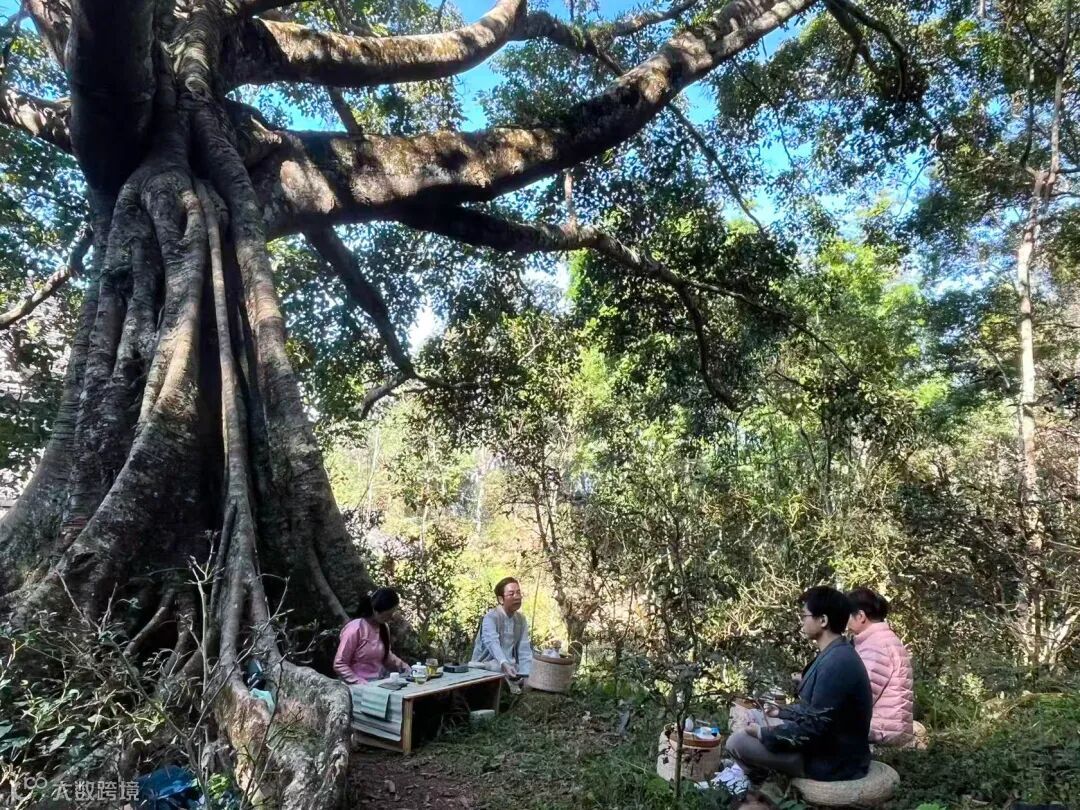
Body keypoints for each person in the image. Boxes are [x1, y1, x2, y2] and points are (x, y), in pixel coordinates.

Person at [725, 586, 872, 786]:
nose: (802, 621)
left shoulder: (837, 663)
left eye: (805, 616)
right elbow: (816, 712)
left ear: (823, 620)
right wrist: (781, 712)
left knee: (736, 742)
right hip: (827, 748)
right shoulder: (836, 652)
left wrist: (762, 733)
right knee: (759, 716)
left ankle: (763, 786)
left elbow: (815, 728)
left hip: (830, 761)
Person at [847, 587, 914, 746]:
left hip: (882, 731)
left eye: (847, 615)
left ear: (860, 616)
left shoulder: (875, 645)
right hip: (892, 727)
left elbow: (861, 696)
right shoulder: (883, 639)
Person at [333, 587, 411, 684]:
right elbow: (340, 664)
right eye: (388, 614)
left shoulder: (384, 627)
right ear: (376, 611)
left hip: (378, 681)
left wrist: (406, 668)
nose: (391, 618)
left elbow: (386, 656)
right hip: (357, 684)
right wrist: (360, 682)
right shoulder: (355, 628)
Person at [469, 576, 532, 692]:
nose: (517, 597)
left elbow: (524, 649)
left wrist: (526, 673)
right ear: (501, 599)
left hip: (511, 666)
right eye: (511, 594)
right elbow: (492, 642)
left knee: (535, 667)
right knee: (496, 667)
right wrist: (504, 663)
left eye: (518, 593)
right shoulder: (491, 617)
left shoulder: (521, 619)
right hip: (489, 665)